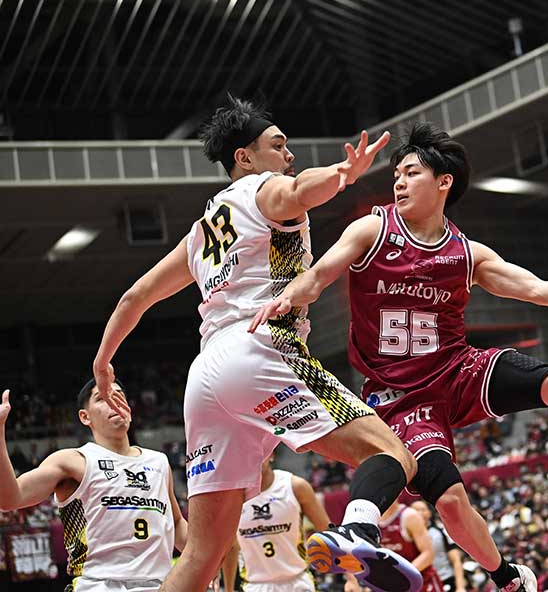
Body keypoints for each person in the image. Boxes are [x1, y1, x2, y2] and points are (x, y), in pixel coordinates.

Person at [249, 122, 548, 592]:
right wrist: (289, 296)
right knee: (452, 502)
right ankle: (506, 578)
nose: (398, 181)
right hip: (397, 395)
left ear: (443, 182)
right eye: (396, 174)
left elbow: (537, 289)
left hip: (458, 369)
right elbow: (319, 274)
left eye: (411, 172)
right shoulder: (372, 229)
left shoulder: (467, 253)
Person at [92, 96, 421, 592]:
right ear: (244, 157)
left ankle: (355, 535)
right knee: (395, 455)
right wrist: (342, 174)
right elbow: (299, 190)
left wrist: (102, 361)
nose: (288, 154)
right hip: (262, 348)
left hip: (205, 376)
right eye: (278, 144)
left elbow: (135, 296)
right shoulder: (263, 190)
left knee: (202, 555)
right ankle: (355, 531)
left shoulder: (201, 232)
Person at [0, 381, 188, 591]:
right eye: (102, 398)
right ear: (85, 417)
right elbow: (10, 499)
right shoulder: (72, 460)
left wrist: (215, 549)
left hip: (159, 585)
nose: (114, 403)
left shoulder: (159, 462)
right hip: (99, 585)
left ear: (130, 410)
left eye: (119, 396)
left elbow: (177, 523)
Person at [222, 454, 330, 592]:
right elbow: (230, 547)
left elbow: (327, 532)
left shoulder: (296, 487)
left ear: (271, 454)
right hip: (255, 585)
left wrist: (350, 578)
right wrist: (228, 589)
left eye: (259, 452)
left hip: (298, 582)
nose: (254, 458)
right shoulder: (232, 497)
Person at [346, 500, 443, 592]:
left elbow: (428, 554)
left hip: (422, 583)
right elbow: (352, 554)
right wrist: (352, 580)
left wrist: (400, 575)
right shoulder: (367, 521)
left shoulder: (409, 516)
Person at [410, 500, 467, 592]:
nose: (419, 513)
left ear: (429, 513)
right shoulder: (406, 536)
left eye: (422, 509)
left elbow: (456, 561)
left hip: (446, 581)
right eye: (415, 510)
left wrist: (460, 587)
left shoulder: (441, 532)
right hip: (422, 584)